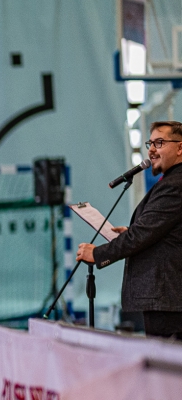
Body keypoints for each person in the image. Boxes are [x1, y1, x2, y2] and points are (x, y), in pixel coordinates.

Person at [78, 120, 182, 339]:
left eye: (160, 142)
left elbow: (142, 235)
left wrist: (98, 254)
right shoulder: (171, 181)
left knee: (166, 359)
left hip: (169, 301)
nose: (151, 150)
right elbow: (161, 232)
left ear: (180, 148)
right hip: (168, 299)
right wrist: (131, 232)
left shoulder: (175, 185)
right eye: (150, 143)